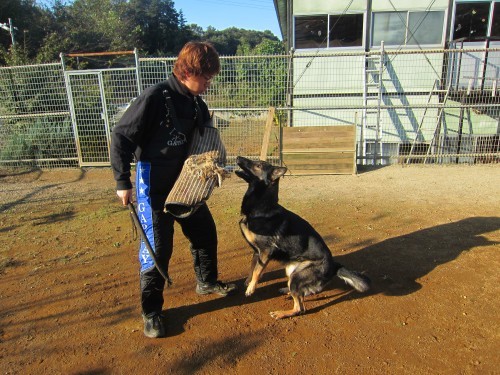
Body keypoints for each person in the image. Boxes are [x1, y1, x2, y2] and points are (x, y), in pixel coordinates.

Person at [110, 41, 237, 338]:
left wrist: (212, 166)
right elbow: (121, 136)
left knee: (204, 232)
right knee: (157, 249)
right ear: (188, 71)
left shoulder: (196, 104)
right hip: (152, 185)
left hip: (185, 186)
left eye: (210, 78)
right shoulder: (154, 98)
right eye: (205, 77)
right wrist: (121, 182)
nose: (208, 83)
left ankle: (206, 282)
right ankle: (151, 311)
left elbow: (206, 141)